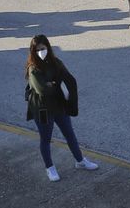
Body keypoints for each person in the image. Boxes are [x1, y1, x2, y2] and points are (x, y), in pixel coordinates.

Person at [23, 35, 99, 181]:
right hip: (42, 109)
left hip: (58, 105)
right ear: (33, 51)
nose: (41, 52)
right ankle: (49, 168)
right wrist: (55, 84)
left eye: (43, 48)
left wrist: (53, 84)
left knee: (70, 134)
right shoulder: (33, 68)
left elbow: (69, 78)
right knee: (45, 139)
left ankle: (80, 161)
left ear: (48, 48)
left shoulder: (55, 62)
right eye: (37, 50)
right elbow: (42, 89)